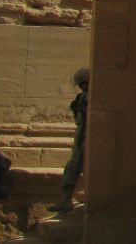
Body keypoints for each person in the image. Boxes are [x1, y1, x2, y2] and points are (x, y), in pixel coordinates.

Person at [49, 68, 88, 213]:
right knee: (72, 169)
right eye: (81, 84)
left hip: (90, 141)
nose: (83, 86)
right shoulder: (82, 98)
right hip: (82, 140)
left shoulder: (92, 97)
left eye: (84, 83)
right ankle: (66, 200)